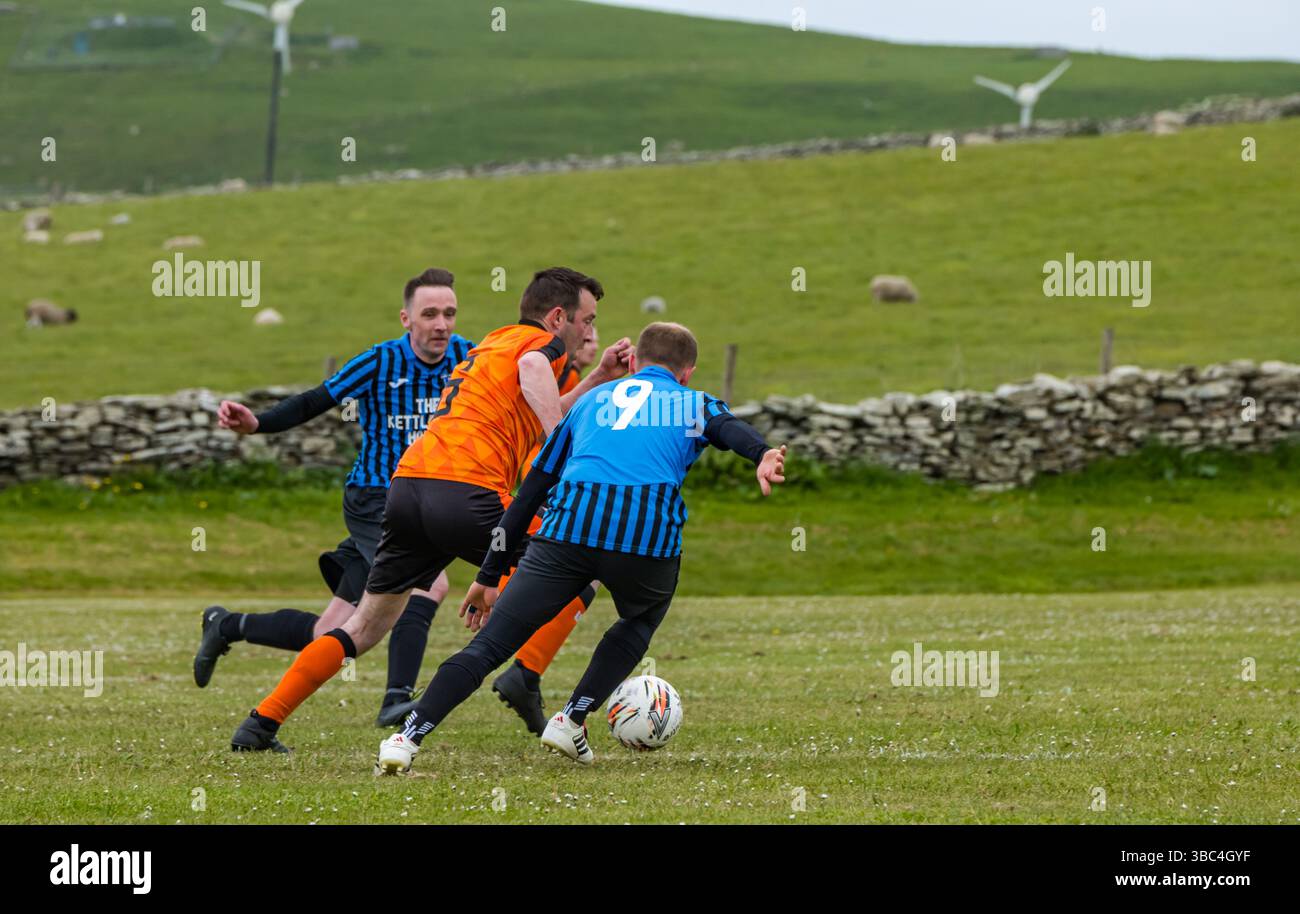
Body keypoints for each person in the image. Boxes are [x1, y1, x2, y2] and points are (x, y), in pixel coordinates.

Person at [227, 267, 632, 752]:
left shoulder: (497, 343)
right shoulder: (539, 348)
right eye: (587, 320)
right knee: (583, 565)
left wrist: (600, 377)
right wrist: (558, 450)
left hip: (409, 488)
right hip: (466, 491)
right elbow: (535, 381)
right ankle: (525, 675)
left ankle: (259, 724)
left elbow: (536, 399)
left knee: (365, 625)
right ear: (558, 317)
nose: (590, 331)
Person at [376, 321, 786, 772]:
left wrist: (488, 573)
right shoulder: (692, 402)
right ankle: (571, 717)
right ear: (687, 372)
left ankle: (406, 738)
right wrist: (763, 454)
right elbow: (728, 427)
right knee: (640, 618)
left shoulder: (589, 401)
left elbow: (530, 493)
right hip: (644, 537)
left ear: (632, 362)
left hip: (567, 529)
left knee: (489, 647)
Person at [193, 267, 468, 726]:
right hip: (375, 498)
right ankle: (396, 699)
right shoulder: (379, 362)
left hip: (425, 500)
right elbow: (313, 401)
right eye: (430, 313)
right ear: (406, 318)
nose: (441, 323)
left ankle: (226, 625)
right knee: (429, 582)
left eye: (450, 314)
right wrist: (256, 423)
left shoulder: (468, 358)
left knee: (332, 632)